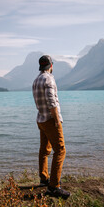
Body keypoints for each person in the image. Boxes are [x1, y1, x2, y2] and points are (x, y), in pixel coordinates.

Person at [32, 55, 70, 199]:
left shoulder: (36, 80)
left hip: (40, 119)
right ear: (51, 66)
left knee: (44, 149)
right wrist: (56, 119)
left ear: (41, 66)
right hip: (50, 119)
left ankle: (44, 178)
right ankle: (54, 187)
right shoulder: (49, 78)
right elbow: (52, 101)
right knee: (60, 150)